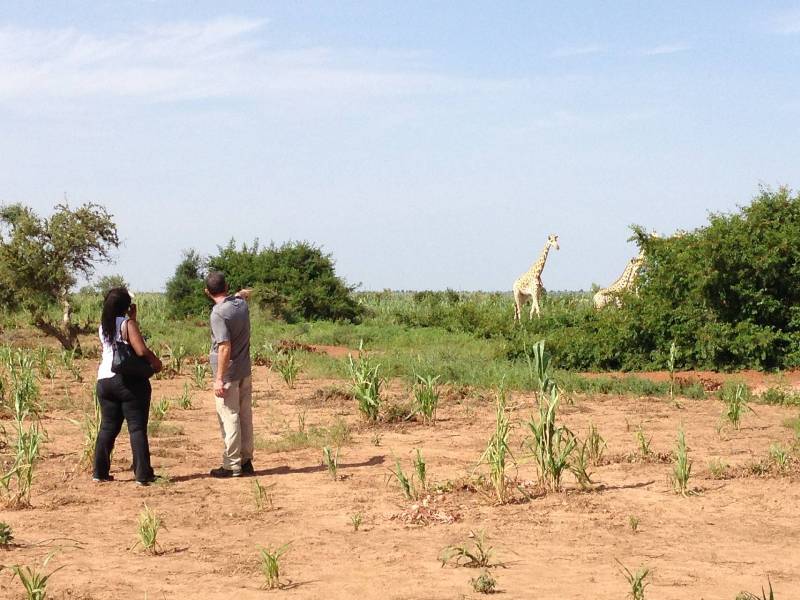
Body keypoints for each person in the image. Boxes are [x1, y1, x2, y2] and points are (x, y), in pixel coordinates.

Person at [94, 287, 163, 485]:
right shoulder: (127, 324)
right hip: (126, 381)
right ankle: (143, 475)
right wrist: (156, 363)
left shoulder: (103, 325)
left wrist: (131, 318)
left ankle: (100, 472)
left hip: (104, 379)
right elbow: (140, 350)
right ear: (126, 306)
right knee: (136, 428)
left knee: (107, 427)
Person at [205, 272, 254, 478]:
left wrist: (219, 378)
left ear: (207, 292)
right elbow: (239, 296)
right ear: (227, 286)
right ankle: (245, 460)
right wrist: (240, 293)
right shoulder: (240, 304)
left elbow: (224, 347)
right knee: (244, 415)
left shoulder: (218, 313)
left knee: (229, 416)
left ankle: (232, 464)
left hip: (229, 373)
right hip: (244, 368)